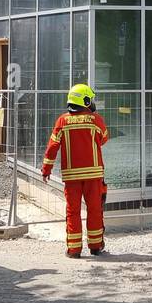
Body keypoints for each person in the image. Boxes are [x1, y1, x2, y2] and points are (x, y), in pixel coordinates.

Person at [41, 83, 110, 259]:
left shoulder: (62, 121)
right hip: (94, 175)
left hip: (71, 176)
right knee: (95, 210)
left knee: (73, 211)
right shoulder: (96, 120)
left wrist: (46, 169)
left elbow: (51, 148)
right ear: (85, 100)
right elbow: (103, 139)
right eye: (90, 99)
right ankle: (95, 246)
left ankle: (74, 250)